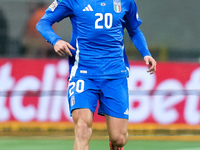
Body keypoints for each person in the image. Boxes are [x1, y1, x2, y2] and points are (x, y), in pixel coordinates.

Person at [36, 0, 156, 149]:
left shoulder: (126, 2)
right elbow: (43, 22)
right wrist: (55, 40)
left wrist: (146, 54)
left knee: (119, 138)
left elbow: (134, 30)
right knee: (82, 128)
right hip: (83, 73)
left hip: (115, 74)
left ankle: (114, 142)